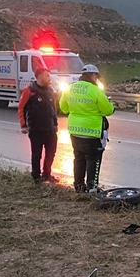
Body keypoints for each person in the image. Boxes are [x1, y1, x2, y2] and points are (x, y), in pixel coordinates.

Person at [59, 64, 115, 192]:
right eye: (96, 76)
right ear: (93, 75)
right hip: (92, 132)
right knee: (93, 160)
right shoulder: (95, 90)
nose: (97, 79)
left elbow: (63, 108)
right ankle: (92, 187)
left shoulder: (69, 88)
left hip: (74, 131)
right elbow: (107, 110)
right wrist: (111, 106)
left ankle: (78, 186)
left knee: (78, 158)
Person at [18, 67, 58, 183]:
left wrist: (55, 123)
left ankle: (47, 174)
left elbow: (53, 109)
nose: (49, 78)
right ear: (39, 76)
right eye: (47, 76)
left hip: (50, 128)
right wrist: (23, 125)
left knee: (51, 152)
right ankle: (36, 176)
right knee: (37, 154)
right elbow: (21, 108)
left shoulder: (50, 90)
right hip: (36, 129)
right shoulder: (29, 91)